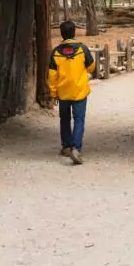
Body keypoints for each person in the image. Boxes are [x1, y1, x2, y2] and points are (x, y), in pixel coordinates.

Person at [48, 20, 95, 165]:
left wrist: (53, 93)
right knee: (79, 120)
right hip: (79, 91)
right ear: (74, 32)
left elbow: (52, 75)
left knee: (64, 119)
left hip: (63, 93)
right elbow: (91, 67)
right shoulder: (82, 50)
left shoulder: (56, 52)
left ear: (62, 33)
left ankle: (66, 147)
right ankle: (76, 148)